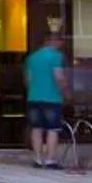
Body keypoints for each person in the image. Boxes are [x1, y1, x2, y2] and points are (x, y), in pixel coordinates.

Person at [25, 29, 68, 169]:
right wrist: (66, 92)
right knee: (52, 129)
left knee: (36, 129)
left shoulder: (32, 58)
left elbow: (28, 80)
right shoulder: (56, 56)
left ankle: (37, 159)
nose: (60, 45)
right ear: (53, 41)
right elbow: (59, 76)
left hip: (34, 97)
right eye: (59, 42)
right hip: (52, 98)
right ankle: (50, 160)